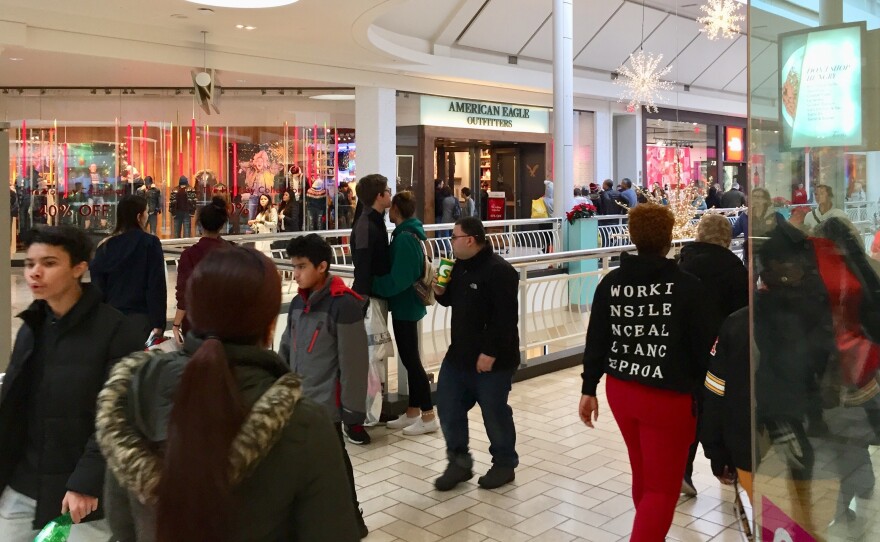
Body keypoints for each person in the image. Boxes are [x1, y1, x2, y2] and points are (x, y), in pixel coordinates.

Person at [97, 247, 362, 542]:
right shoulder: (303, 423)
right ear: (270, 325)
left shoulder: (136, 391)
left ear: (192, 312)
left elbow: (122, 525)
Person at [580, 204, 715, 541]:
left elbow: (597, 339)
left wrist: (588, 388)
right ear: (668, 238)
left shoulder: (611, 283)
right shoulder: (687, 287)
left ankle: (649, 530)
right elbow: (703, 350)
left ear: (633, 236)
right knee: (662, 489)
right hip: (667, 397)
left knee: (643, 474)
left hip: (621, 390)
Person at [0, 226, 142, 541]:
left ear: (79, 268)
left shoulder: (116, 331)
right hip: (23, 485)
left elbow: (119, 416)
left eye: (49, 263)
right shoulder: (32, 327)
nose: (35, 272)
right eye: (30, 263)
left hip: (80, 498)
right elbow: (14, 408)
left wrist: (87, 482)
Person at [278, 234, 370, 538]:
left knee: (336, 467)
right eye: (293, 266)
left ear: (322, 266)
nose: (295, 273)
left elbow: (353, 363)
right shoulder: (297, 303)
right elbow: (286, 348)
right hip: (299, 403)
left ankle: (353, 519)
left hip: (326, 407)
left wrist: (353, 410)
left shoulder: (344, 305)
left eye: (301, 266)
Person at [432, 217, 521, 491]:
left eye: (454, 237)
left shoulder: (500, 271)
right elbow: (452, 300)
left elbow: (506, 318)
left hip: (493, 360)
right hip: (459, 355)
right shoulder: (459, 266)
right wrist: (440, 292)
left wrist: (490, 352)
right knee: (448, 405)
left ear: (470, 240)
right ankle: (459, 463)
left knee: (494, 412)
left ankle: (504, 464)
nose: (451, 242)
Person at [676, 213, 748, 495]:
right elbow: (741, 316)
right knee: (721, 409)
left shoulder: (683, 264)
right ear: (727, 238)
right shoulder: (735, 270)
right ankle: (725, 466)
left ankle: (683, 469)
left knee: (691, 411)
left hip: (686, 351)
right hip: (720, 351)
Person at [373, 192, 439, 435]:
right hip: (408, 304)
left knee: (412, 361)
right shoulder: (410, 234)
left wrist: (373, 284)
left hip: (405, 306)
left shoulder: (403, 239)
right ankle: (413, 411)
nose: (388, 211)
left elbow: (399, 279)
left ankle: (428, 415)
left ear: (396, 210)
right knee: (410, 358)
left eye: (391, 208)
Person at [349, 174, 393, 441]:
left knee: (375, 357)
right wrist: (362, 299)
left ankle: (375, 409)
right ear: (379, 196)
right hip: (368, 298)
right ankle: (360, 416)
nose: (390, 194)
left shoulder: (373, 221)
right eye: (387, 190)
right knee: (368, 359)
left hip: (372, 296)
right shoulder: (367, 224)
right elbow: (364, 265)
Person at [89, 195, 167, 342]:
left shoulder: (105, 246)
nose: (147, 216)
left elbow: (97, 286)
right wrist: (158, 323)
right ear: (139, 216)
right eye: (146, 212)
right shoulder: (149, 243)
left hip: (110, 318)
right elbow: (155, 284)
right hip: (140, 318)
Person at [171, 198, 229, 342]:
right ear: (222, 225)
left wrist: (176, 324)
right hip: (226, 324)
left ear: (200, 225)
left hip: (195, 326)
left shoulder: (189, 255)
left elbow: (184, 294)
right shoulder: (233, 252)